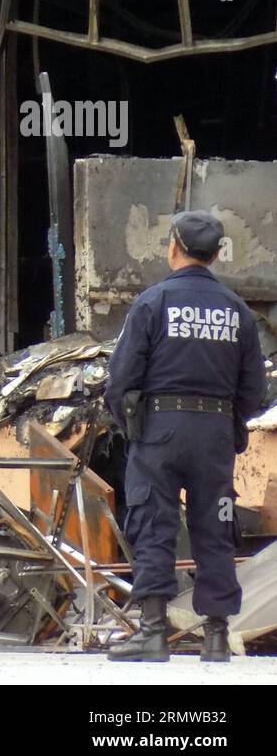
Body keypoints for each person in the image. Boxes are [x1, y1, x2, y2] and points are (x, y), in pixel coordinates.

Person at [104, 210, 266, 662]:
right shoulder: (237, 310)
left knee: (153, 524)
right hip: (214, 434)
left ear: (173, 247)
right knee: (214, 528)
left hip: (158, 431)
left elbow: (119, 382)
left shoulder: (152, 304)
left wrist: (133, 429)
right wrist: (225, 425)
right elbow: (254, 392)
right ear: (216, 254)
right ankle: (216, 636)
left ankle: (153, 633)